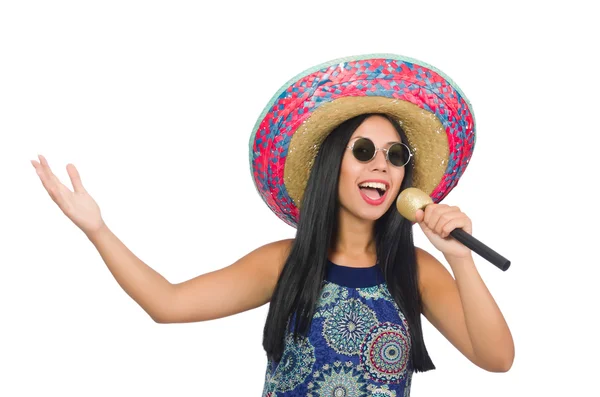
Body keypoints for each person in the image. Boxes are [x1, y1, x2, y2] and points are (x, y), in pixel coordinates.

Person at [32, 54, 514, 396]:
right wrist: (97, 229)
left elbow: (497, 360)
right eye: (363, 151)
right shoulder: (284, 263)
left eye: (395, 155)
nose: (381, 166)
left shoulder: (419, 270)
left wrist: (460, 258)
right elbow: (168, 304)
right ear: (332, 167)